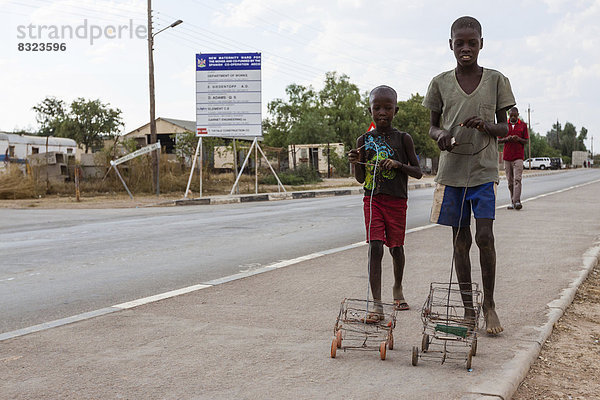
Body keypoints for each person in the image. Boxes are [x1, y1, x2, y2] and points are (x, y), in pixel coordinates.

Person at [423, 16, 515, 335]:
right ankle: (467, 311)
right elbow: (432, 126)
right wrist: (440, 136)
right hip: (452, 173)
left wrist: (486, 125)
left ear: (481, 44)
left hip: (484, 170)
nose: (465, 48)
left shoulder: (496, 80)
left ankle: (489, 305)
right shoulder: (439, 83)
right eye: (459, 43)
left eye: (471, 43)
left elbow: (505, 127)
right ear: (450, 45)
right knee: (460, 241)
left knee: (484, 237)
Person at [348, 85, 422, 320]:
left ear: (395, 110)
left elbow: (418, 172)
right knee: (375, 247)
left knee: (396, 248)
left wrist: (398, 165)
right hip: (372, 200)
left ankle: (397, 287)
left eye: (387, 108)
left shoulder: (403, 139)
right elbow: (361, 178)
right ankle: (377, 305)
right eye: (377, 108)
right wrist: (355, 161)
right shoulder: (364, 140)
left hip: (396, 201)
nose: (382, 112)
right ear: (369, 110)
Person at [499, 107, 528, 210]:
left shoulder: (523, 125)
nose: (513, 117)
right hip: (507, 157)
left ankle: (517, 201)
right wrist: (507, 139)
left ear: (518, 115)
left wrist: (518, 139)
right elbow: (498, 140)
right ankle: (512, 201)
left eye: (515, 115)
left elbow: (526, 141)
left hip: (518, 157)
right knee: (510, 181)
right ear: (508, 115)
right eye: (511, 115)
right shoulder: (504, 126)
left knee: (517, 179)